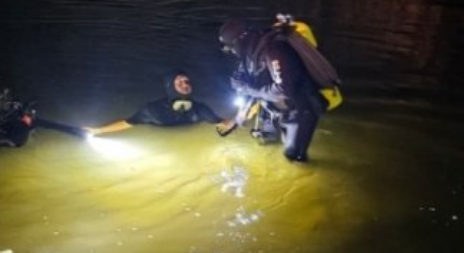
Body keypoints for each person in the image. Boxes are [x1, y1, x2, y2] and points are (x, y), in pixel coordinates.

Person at [216, 14, 341, 162]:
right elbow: (249, 91)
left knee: (293, 156)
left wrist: (248, 88)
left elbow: (283, 90)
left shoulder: (273, 49)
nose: (232, 52)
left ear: (239, 40)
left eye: (231, 47)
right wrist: (236, 121)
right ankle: (280, 133)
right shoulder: (249, 57)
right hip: (281, 109)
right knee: (283, 141)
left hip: (301, 108)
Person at [84, 70, 226, 135]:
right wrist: (98, 130)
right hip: (160, 131)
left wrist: (238, 116)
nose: (185, 84)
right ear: (170, 87)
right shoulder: (153, 110)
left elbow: (222, 124)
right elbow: (127, 123)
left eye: (186, 81)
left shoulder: (200, 109)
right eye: (179, 82)